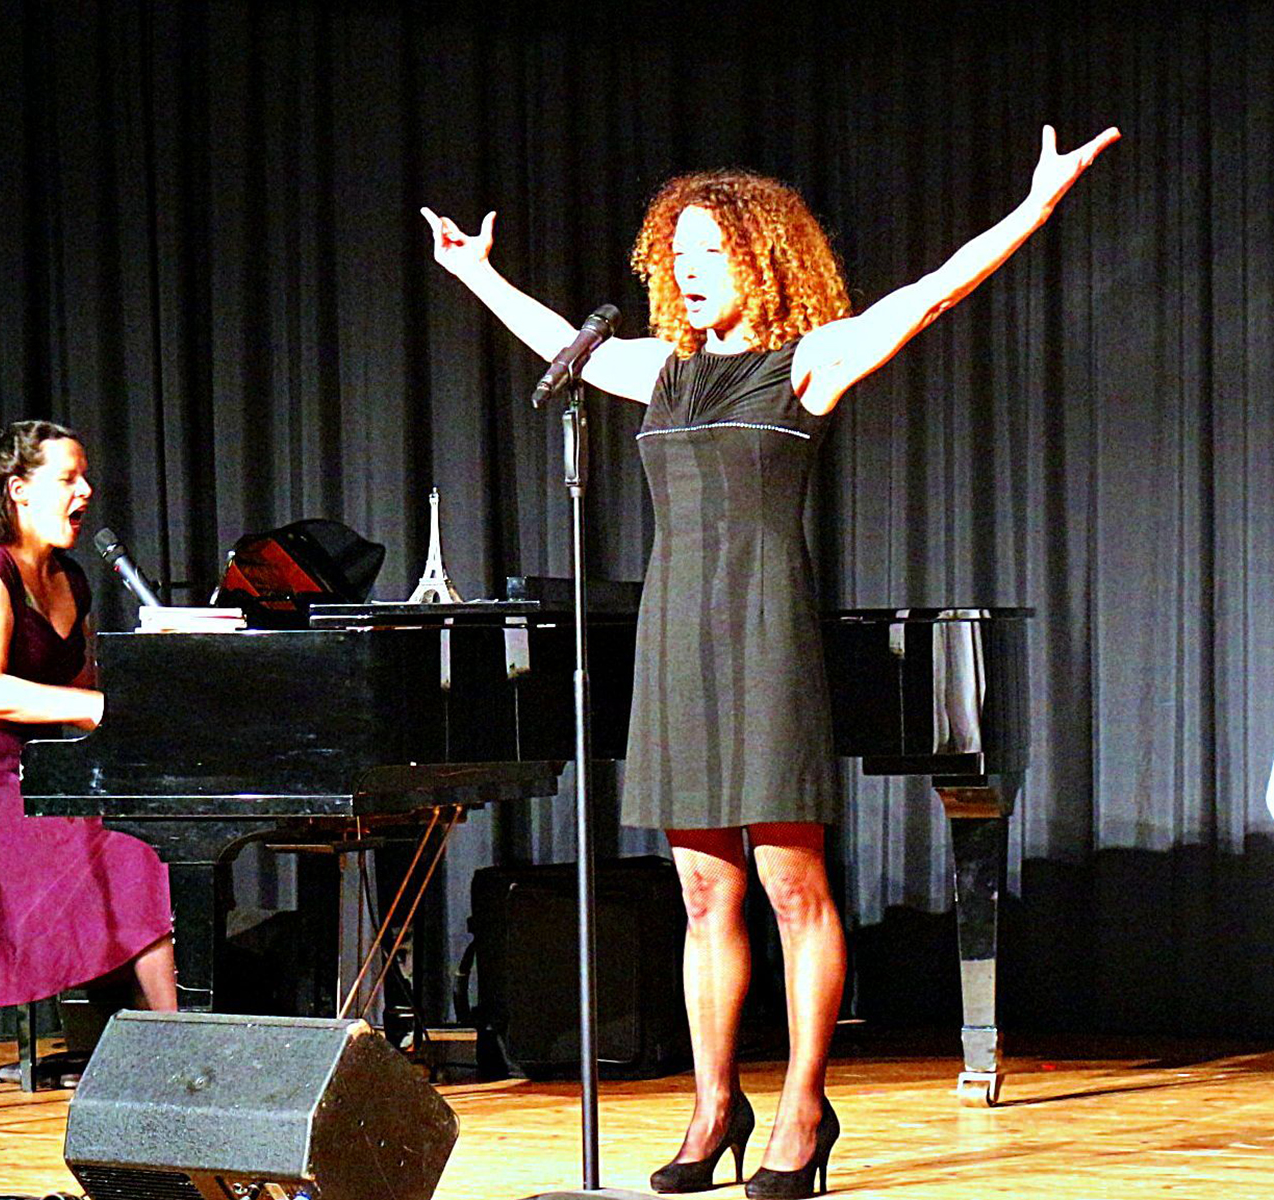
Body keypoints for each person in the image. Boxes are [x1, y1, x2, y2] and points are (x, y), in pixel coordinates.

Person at [424, 125, 1117, 1197]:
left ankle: (802, 1108)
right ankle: (715, 1108)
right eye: (678, 256)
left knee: (792, 886)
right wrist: (478, 273)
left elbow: (932, 294)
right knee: (704, 890)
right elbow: (560, 342)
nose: (691, 272)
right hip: (673, 633)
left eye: (712, 253)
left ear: (763, 258)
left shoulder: (809, 363)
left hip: (765, 630)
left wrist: (1033, 208)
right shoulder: (660, 371)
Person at [0, 420, 176, 1035]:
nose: (86, 492)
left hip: (25, 779)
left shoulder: (71, 580)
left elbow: (82, 691)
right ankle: (175, 1041)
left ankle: (130, 1040)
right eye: (68, 478)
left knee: (143, 836)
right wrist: (95, 706)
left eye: (85, 478)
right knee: (128, 853)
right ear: (19, 490)